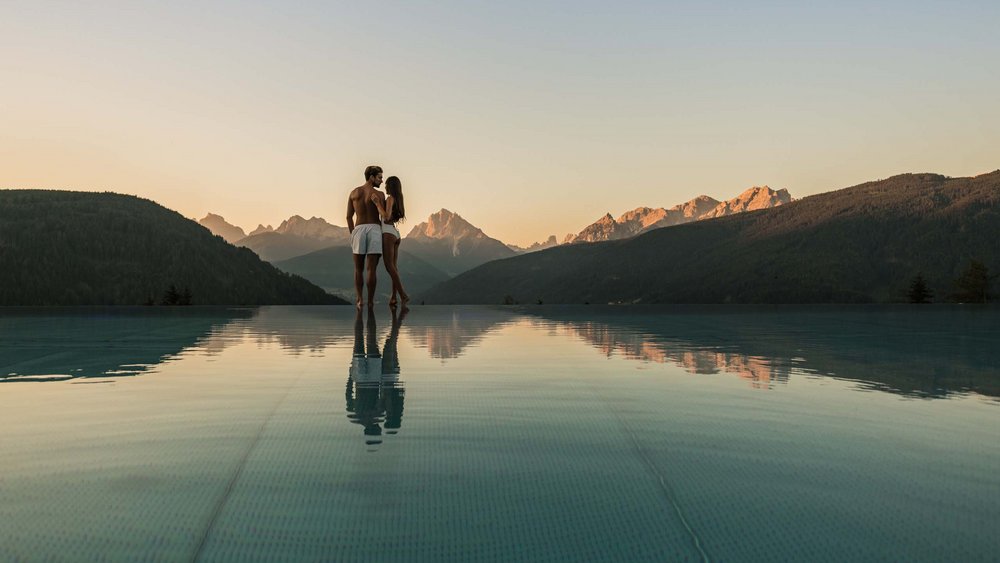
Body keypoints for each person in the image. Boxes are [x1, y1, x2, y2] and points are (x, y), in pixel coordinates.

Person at [347, 165, 385, 308]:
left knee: (358, 269)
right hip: (374, 229)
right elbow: (384, 216)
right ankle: (370, 301)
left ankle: (359, 300)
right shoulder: (380, 195)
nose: (381, 181)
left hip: (358, 229)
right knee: (371, 269)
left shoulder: (353, 193)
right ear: (371, 177)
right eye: (379, 177)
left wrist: (353, 234)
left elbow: (348, 217)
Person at [371, 175, 409, 308]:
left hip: (387, 233)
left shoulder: (390, 199)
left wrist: (376, 203)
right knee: (394, 268)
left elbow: (386, 217)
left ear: (391, 186)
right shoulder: (399, 200)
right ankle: (394, 297)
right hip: (396, 234)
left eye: (386, 184)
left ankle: (403, 295)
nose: (385, 186)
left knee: (389, 266)